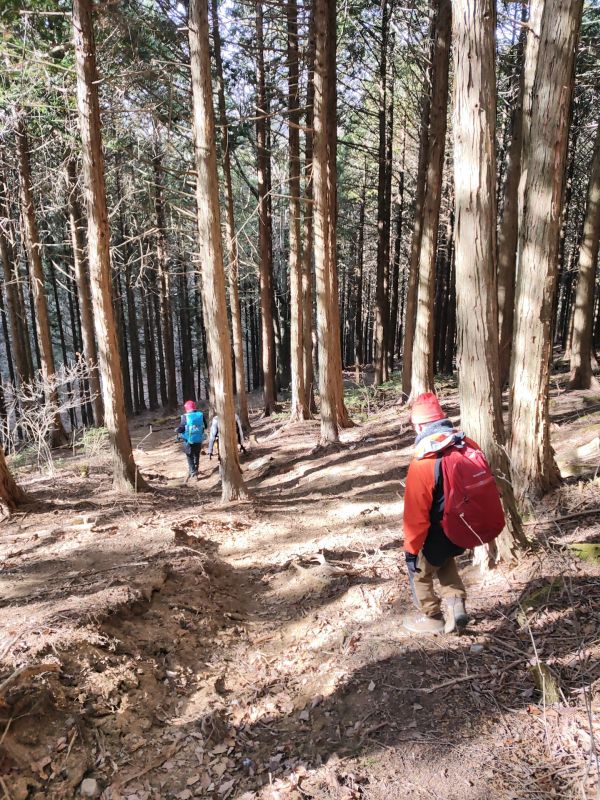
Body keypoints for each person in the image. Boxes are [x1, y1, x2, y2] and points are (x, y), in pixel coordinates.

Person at [402, 392, 471, 635]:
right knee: (445, 563)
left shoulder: (423, 461)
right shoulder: (464, 444)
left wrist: (411, 548)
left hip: (434, 531)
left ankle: (432, 617)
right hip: (460, 528)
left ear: (420, 425)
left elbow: (415, 514)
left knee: (419, 573)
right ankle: (456, 604)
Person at [175, 400, 207, 481]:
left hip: (188, 440)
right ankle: (196, 469)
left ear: (186, 408)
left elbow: (181, 428)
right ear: (194, 407)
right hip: (198, 439)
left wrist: (177, 430)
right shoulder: (201, 415)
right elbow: (205, 426)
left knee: (189, 456)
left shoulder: (185, 416)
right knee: (197, 454)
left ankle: (192, 472)